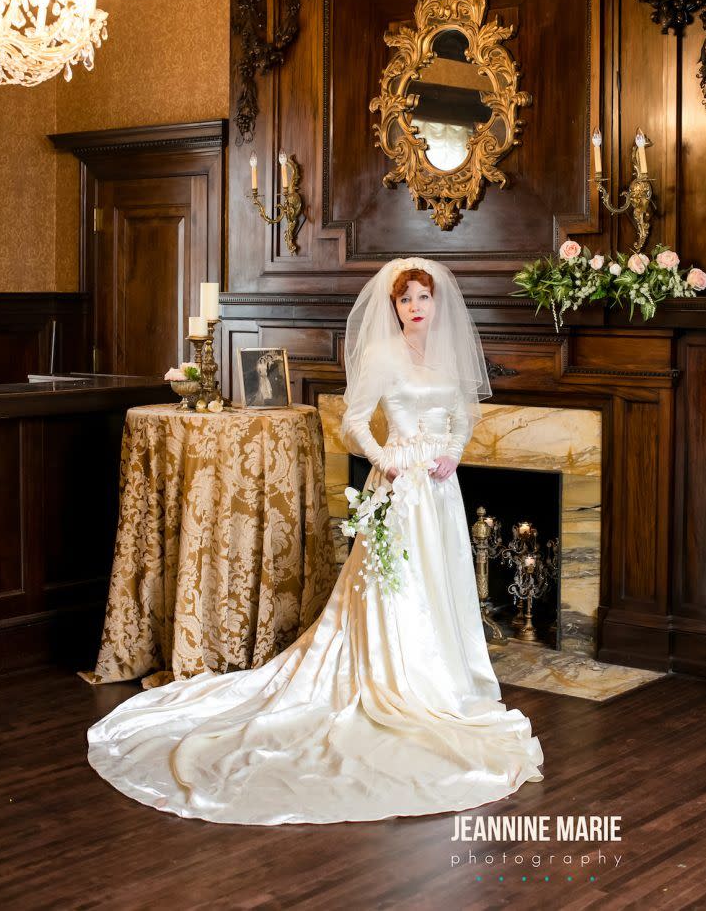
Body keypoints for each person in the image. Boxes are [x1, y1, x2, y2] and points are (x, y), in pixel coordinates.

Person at [87, 257, 544, 825]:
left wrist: (453, 451)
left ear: (436, 303)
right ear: (395, 308)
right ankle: (394, 678)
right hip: (399, 481)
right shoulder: (382, 356)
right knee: (394, 585)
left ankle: (447, 680)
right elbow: (353, 422)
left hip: (441, 488)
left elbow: (463, 414)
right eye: (406, 300)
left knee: (440, 579)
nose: (416, 307)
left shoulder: (449, 355)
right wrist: (386, 460)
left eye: (424, 298)